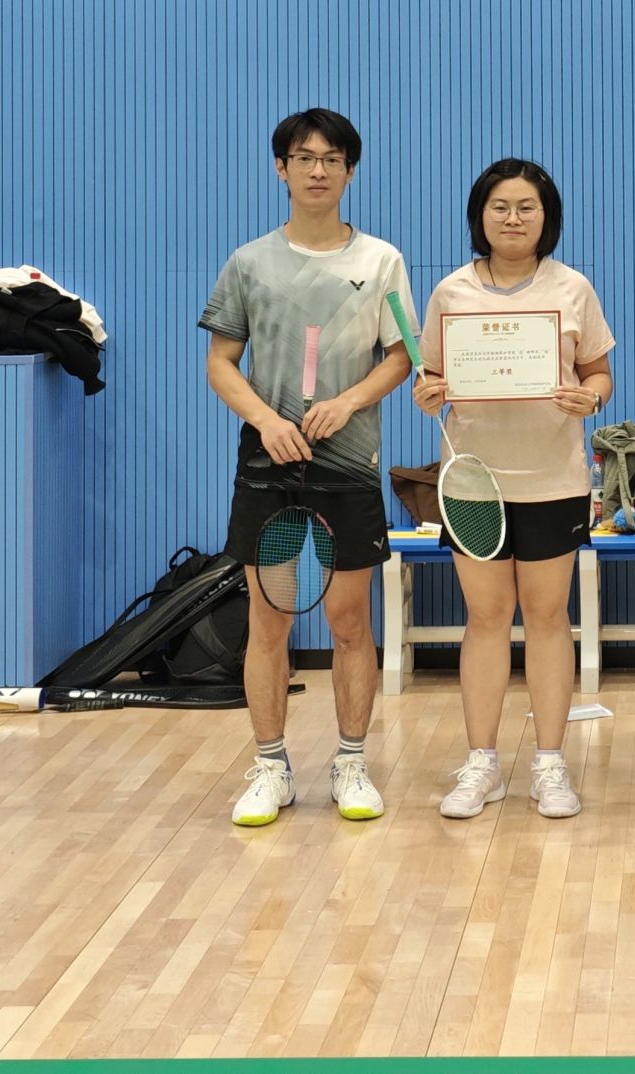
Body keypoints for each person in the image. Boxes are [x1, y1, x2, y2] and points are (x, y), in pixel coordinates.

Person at [200, 108, 414, 827]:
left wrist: (348, 402)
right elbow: (221, 363)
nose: (317, 170)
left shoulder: (381, 261)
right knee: (268, 618)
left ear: (350, 171)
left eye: (331, 159)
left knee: (350, 618)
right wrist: (266, 420)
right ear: (280, 168)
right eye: (303, 157)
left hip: (349, 464)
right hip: (270, 462)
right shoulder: (248, 262)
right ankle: (270, 767)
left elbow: (402, 356)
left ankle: (351, 762)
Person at [414, 159, 614, 820]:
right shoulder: (450, 292)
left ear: (546, 217)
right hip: (474, 481)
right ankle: (483, 763)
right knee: (486, 618)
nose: (513, 218)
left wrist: (590, 397)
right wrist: (428, 392)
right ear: (480, 215)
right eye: (500, 206)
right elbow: (430, 376)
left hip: (553, 480)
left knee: (549, 617)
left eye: (527, 207)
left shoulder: (573, 287)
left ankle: (550, 763)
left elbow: (599, 374)